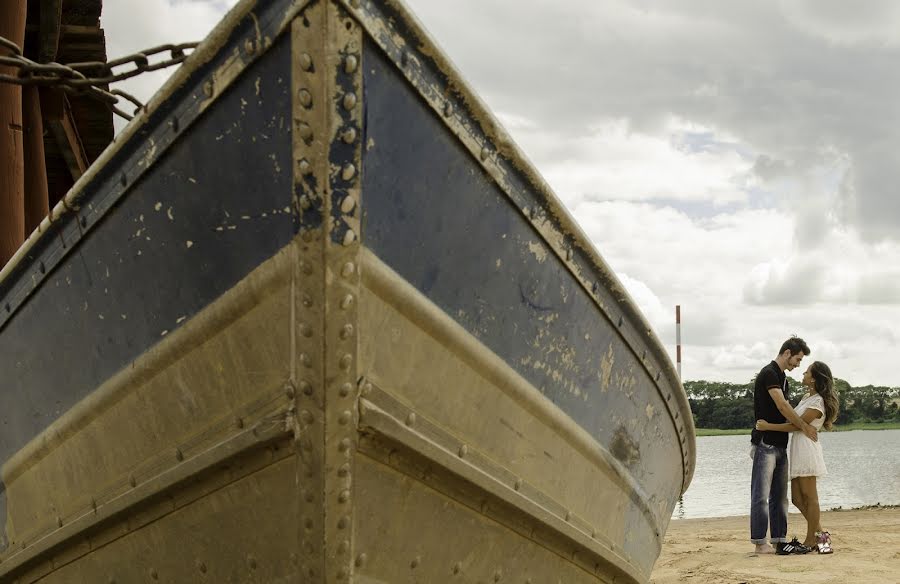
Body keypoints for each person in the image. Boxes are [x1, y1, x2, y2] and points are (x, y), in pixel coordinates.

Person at [757, 360, 839, 554]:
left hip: (807, 450)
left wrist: (768, 426)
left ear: (815, 378)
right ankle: (822, 537)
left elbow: (796, 425)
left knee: (810, 498)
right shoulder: (806, 397)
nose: (804, 373)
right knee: (796, 499)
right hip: (798, 449)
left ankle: (812, 540)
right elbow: (795, 420)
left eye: (808, 371)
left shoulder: (818, 401)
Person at [749, 336, 818, 555]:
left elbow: (786, 408)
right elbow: (782, 405)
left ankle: (779, 540)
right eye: (797, 359)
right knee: (761, 495)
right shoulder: (769, 373)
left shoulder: (783, 378)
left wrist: (798, 427)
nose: (798, 364)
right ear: (787, 353)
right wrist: (804, 427)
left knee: (780, 497)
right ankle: (760, 543)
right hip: (765, 443)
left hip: (781, 445)